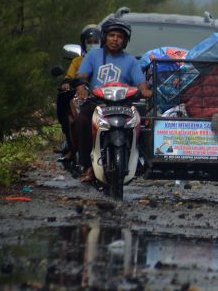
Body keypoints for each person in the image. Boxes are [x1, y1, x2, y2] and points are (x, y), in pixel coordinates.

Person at [74, 16, 152, 183]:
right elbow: (82, 76)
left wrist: (145, 91)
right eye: (112, 35)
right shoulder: (93, 56)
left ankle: (139, 161)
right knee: (81, 120)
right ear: (105, 37)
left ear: (124, 41)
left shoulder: (131, 61)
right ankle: (87, 165)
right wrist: (81, 88)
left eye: (120, 37)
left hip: (124, 105)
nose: (115, 40)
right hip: (97, 103)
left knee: (143, 123)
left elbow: (141, 83)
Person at [56, 25, 101, 162]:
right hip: (82, 97)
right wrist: (68, 83)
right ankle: (72, 147)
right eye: (89, 42)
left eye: (96, 42)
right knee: (73, 118)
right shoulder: (77, 61)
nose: (93, 45)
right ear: (84, 44)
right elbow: (69, 77)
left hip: (105, 97)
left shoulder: (107, 60)